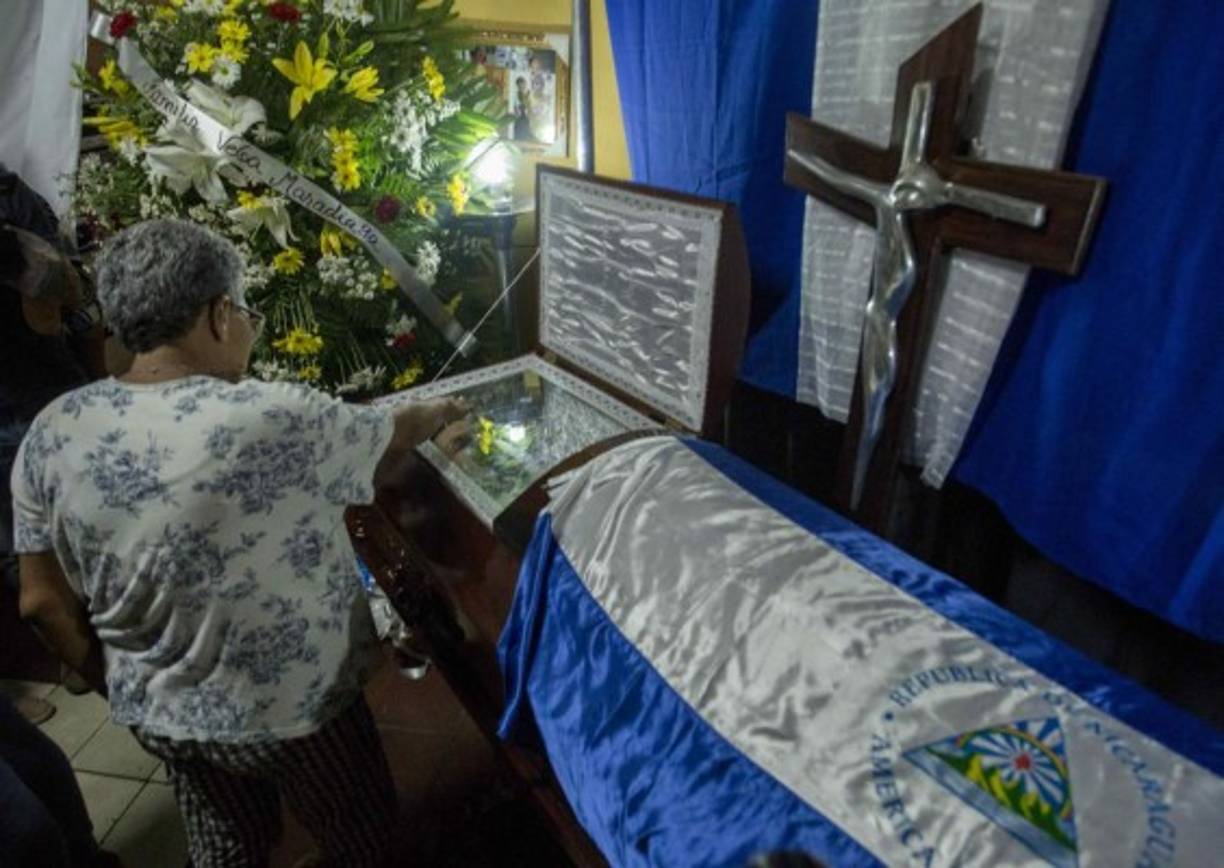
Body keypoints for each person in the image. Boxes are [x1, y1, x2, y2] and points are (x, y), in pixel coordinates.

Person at [11, 219, 469, 867]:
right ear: (220, 313)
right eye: (245, 310)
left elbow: (40, 604)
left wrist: (121, 686)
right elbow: (391, 431)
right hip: (296, 712)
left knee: (225, 841)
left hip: (160, 711)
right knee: (361, 837)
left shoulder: (52, 431)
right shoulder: (268, 415)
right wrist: (445, 411)